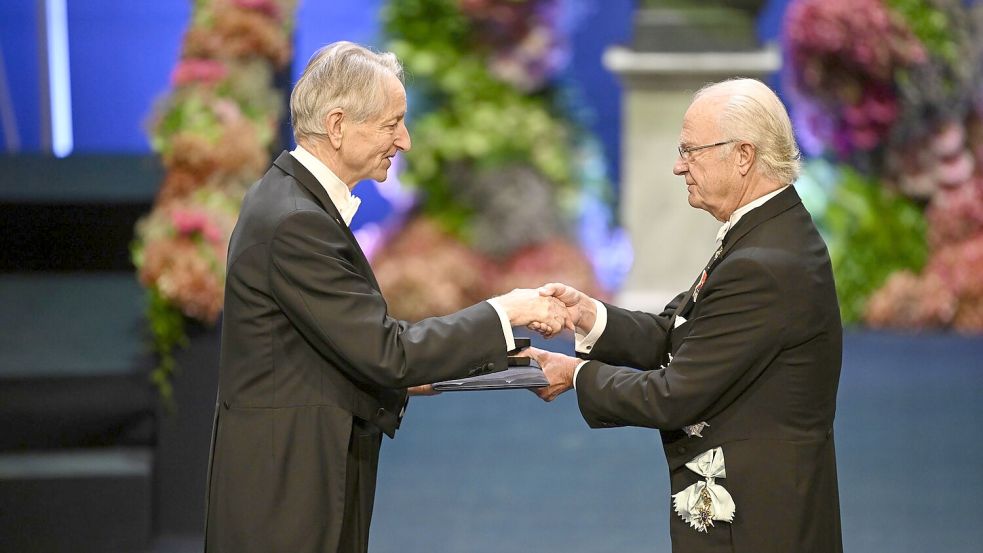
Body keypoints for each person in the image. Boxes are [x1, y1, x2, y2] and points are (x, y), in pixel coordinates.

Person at [204, 42, 567, 553]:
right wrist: (505, 312)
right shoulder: (295, 222)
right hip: (287, 494)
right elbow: (386, 354)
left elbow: (343, 352)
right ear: (337, 126)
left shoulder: (292, 203)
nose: (406, 141)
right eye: (391, 123)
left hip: (301, 476)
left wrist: (487, 366)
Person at [525, 78, 843, 553]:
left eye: (690, 151)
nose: (678, 167)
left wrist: (576, 376)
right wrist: (589, 316)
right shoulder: (766, 231)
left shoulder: (764, 262)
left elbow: (674, 397)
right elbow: (681, 334)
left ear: (742, 155)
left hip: (759, 523)